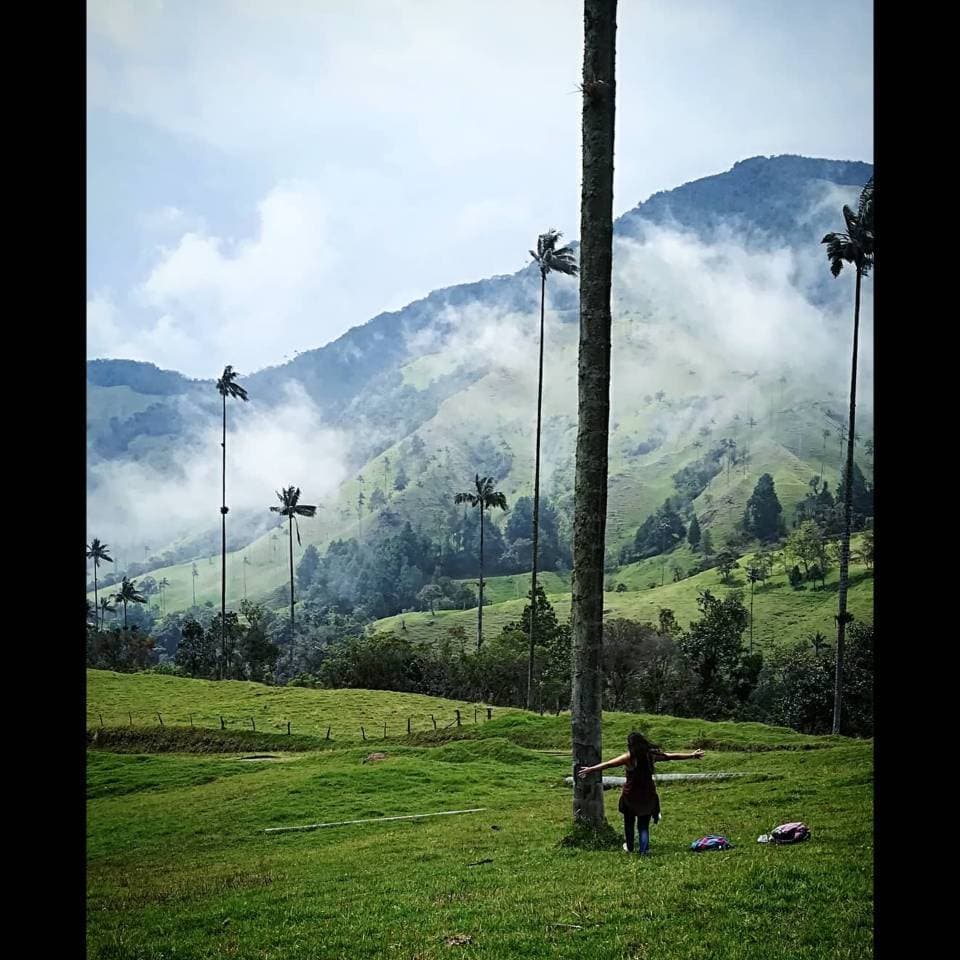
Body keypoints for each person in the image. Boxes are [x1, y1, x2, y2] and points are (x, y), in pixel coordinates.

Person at [577, 732, 705, 855]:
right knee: (643, 825)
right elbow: (671, 756)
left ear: (630, 744)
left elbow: (609, 764)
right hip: (648, 795)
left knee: (629, 823)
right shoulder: (651, 755)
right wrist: (692, 755)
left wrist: (590, 769)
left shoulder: (628, 757)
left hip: (631, 795)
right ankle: (644, 850)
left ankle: (630, 847)